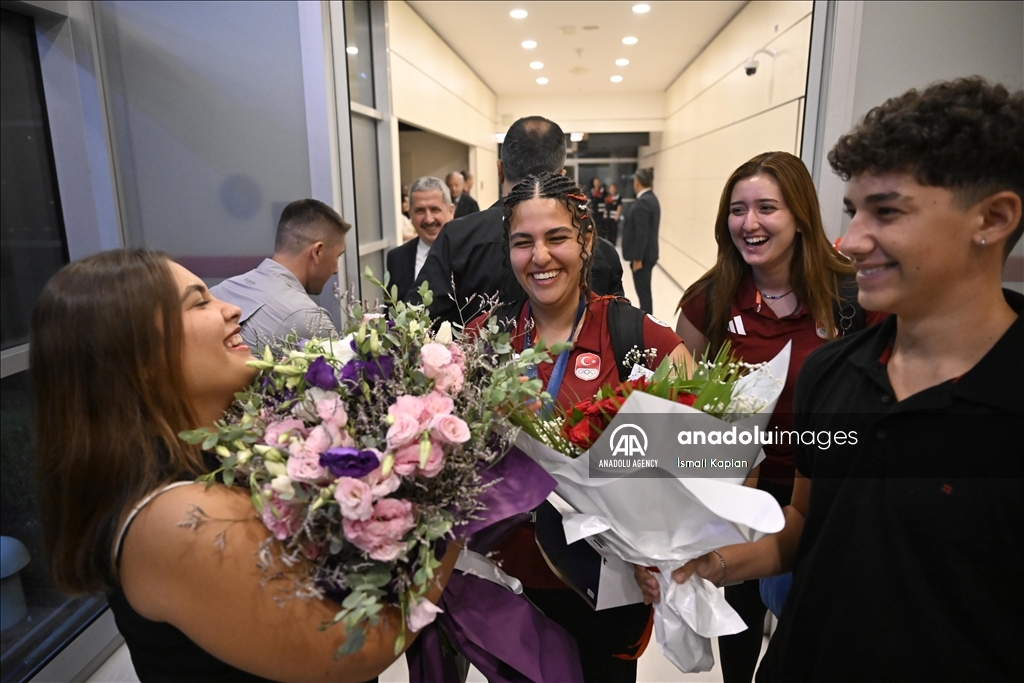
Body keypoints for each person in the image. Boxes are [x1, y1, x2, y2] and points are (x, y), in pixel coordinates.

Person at [638, 78, 1024, 682]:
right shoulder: (834, 374)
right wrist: (710, 564)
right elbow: (804, 525)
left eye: (888, 211)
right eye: (853, 211)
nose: (852, 239)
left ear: (993, 218)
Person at [31, 249, 461, 683]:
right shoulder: (177, 519)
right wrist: (454, 506)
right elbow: (354, 649)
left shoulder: (221, 454)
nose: (230, 307)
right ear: (137, 358)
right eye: (199, 302)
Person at [646, 150, 884, 682]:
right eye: (737, 209)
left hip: (824, 487)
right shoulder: (709, 301)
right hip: (742, 485)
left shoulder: (853, 299)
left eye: (766, 208)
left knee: (812, 612)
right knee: (742, 604)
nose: (749, 223)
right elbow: (675, 403)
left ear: (800, 216)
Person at [468, 172, 692, 683]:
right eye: (523, 242)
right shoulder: (483, 341)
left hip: (606, 592)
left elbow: (696, 460)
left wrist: (664, 545)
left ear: (586, 240)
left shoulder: (637, 338)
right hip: (509, 591)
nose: (540, 256)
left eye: (556, 237)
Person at [409, 116, 624, 324]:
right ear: (561, 176)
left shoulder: (457, 238)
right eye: (521, 242)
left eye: (556, 239)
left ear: (500, 170)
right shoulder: (600, 251)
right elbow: (618, 334)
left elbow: (413, 327)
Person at [211, 199, 347, 350]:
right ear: (317, 252)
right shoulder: (310, 319)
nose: (336, 269)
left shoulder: (219, 291)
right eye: (337, 256)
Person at [386, 177, 454, 300]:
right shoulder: (396, 258)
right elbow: (391, 313)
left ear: (450, 211)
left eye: (435, 209)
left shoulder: (469, 255)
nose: (428, 219)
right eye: (420, 211)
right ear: (410, 213)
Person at [621, 168, 660, 314]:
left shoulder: (643, 202)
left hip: (642, 258)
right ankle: (648, 320)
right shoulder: (651, 199)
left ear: (637, 182)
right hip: (648, 254)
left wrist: (637, 259)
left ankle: (647, 323)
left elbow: (641, 233)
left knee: (643, 294)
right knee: (645, 293)